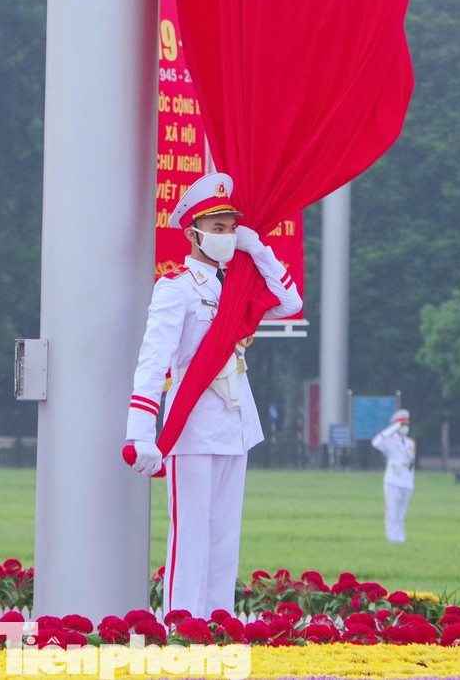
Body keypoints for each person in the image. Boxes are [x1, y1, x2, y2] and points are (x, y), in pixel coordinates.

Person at [126, 172, 302, 619]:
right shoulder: (176, 289)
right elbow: (154, 361)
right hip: (193, 425)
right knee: (191, 540)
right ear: (193, 233)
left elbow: (289, 302)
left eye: (230, 227)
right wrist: (141, 432)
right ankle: (182, 629)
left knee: (225, 539)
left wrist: (256, 247)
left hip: (235, 424)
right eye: (217, 228)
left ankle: (218, 627)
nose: (226, 235)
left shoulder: (238, 283)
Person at [371, 409, 415, 543]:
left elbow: (410, 463)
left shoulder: (410, 443)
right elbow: (375, 442)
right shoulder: (389, 441)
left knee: (401, 514)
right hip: (393, 481)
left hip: (407, 481)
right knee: (392, 512)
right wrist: (393, 428)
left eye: (406, 424)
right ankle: (391, 538)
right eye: (402, 425)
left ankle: (400, 538)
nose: (405, 427)